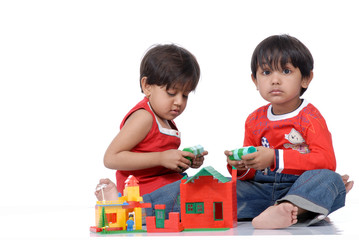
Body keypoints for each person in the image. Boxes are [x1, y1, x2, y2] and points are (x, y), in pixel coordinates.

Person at [225, 34, 354, 229]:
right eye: (266, 73)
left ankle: (290, 207)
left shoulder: (310, 117)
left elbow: (326, 161)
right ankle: (293, 210)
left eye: (286, 71)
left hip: (299, 186)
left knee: (330, 180)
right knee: (222, 187)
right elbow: (251, 173)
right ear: (255, 80)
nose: (275, 80)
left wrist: (274, 157)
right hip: (261, 189)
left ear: (305, 78)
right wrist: (242, 165)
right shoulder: (253, 120)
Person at [95, 44, 208, 206]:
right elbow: (111, 158)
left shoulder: (166, 121)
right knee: (200, 194)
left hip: (165, 186)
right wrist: (162, 158)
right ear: (147, 86)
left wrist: (182, 162)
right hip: (143, 192)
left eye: (185, 95)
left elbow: (158, 166)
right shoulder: (144, 117)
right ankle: (126, 206)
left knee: (210, 183)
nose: (179, 102)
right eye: (171, 93)